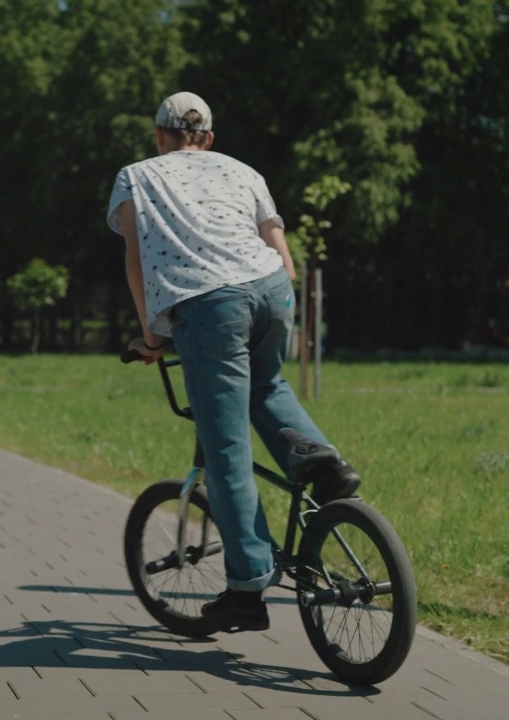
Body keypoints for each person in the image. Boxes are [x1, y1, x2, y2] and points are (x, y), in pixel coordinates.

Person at [107, 91, 360, 633]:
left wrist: (152, 335)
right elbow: (276, 238)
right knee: (266, 384)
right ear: (210, 138)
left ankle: (247, 591)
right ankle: (323, 464)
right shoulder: (243, 169)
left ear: (158, 136)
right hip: (270, 289)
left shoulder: (136, 175)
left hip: (208, 304)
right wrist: (280, 289)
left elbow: (135, 257)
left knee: (226, 451)